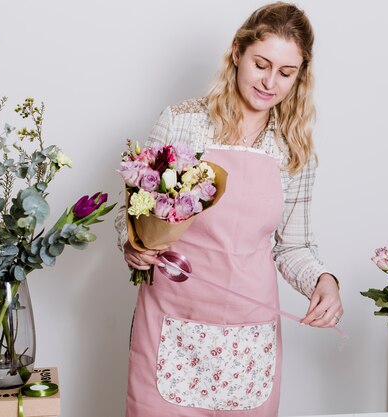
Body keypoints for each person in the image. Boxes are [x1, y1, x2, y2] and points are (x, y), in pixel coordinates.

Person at [115, 2, 343, 416]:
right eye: (261, 64)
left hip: (247, 340)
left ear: (299, 77)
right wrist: (133, 247)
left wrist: (323, 281)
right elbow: (132, 213)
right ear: (237, 53)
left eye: (286, 73)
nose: (270, 82)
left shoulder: (293, 152)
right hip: (170, 326)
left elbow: (292, 247)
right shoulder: (181, 123)